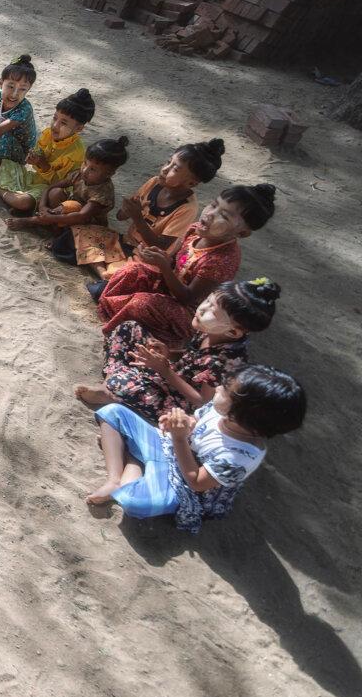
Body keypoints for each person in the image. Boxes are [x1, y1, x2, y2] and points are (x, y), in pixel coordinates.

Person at [85, 365, 306, 533]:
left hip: (184, 483)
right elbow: (194, 422)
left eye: (225, 390)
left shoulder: (240, 456)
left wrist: (180, 439)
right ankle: (116, 478)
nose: (217, 388)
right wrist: (179, 423)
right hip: (170, 447)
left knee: (136, 504)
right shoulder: (220, 411)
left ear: (244, 414)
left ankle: (131, 457)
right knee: (113, 412)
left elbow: (196, 482)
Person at [76, 278, 279, 422]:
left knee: (130, 385)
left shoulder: (223, 362)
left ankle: (111, 390)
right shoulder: (209, 331)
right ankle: (120, 378)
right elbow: (188, 356)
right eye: (207, 301)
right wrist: (168, 353)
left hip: (178, 400)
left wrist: (165, 370)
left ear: (234, 332)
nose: (202, 309)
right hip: (169, 373)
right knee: (129, 328)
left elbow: (202, 401)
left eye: (212, 312)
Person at [98, 183, 276, 347]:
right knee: (133, 270)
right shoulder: (195, 230)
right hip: (168, 288)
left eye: (223, 216)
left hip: (187, 312)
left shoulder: (222, 260)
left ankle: (134, 326)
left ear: (243, 233)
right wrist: (159, 258)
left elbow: (188, 298)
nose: (209, 214)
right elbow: (172, 260)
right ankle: (115, 310)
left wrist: (164, 267)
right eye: (214, 205)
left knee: (143, 303)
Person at [75, 139, 225, 283]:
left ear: (191, 182)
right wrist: (129, 210)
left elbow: (162, 246)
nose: (165, 169)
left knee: (132, 273)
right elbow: (121, 216)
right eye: (168, 162)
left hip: (145, 257)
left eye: (175, 168)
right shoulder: (154, 183)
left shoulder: (187, 208)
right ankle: (105, 275)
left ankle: (106, 272)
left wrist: (138, 218)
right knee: (83, 232)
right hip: (126, 243)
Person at [0, 88, 95, 211]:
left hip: (48, 189)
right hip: (33, 179)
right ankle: (14, 197)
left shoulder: (77, 153)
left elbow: (63, 185)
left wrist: (42, 164)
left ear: (79, 128)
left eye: (64, 123)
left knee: (23, 202)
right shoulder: (48, 134)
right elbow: (36, 159)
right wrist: (33, 158)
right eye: (55, 118)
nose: (55, 126)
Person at [5, 136, 128, 234]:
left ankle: (34, 222)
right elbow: (50, 187)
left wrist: (51, 217)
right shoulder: (79, 175)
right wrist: (43, 207)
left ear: (109, 173)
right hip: (66, 212)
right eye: (85, 164)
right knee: (56, 193)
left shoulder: (102, 193)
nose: (85, 170)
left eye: (93, 169)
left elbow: (81, 216)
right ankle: (50, 225)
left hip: (86, 226)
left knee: (70, 206)